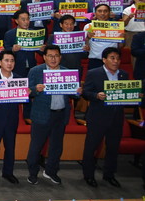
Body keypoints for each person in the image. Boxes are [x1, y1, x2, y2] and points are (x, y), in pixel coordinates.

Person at [25, 44, 82, 185]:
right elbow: (27, 91)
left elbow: (74, 95)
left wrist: (78, 92)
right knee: (36, 147)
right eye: (50, 56)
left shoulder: (67, 72)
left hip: (60, 114)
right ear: (44, 57)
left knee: (56, 147)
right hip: (41, 115)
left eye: (56, 56)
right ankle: (32, 173)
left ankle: (51, 171)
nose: (53, 59)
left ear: (60, 57)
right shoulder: (35, 71)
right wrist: (35, 89)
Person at [82, 47, 135, 187]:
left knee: (113, 148)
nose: (116, 61)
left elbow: (125, 94)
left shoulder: (123, 75)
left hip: (116, 117)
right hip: (97, 117)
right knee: (91, 147)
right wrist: (96, 95)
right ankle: (88, 175)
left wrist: (135, 95)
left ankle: (109, 175)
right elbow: (86, 92)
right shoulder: (94, 73)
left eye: (118, 58)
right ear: (104, 60)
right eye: (112, 58)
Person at [0, 49, 26, 184]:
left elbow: (23, 98)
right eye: (6, 60)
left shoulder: (19, 79)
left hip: (11, 118)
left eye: (12, 61)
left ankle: (8, 172)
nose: (9, 63)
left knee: (10, 147)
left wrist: (28, 92)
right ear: (0, 62)